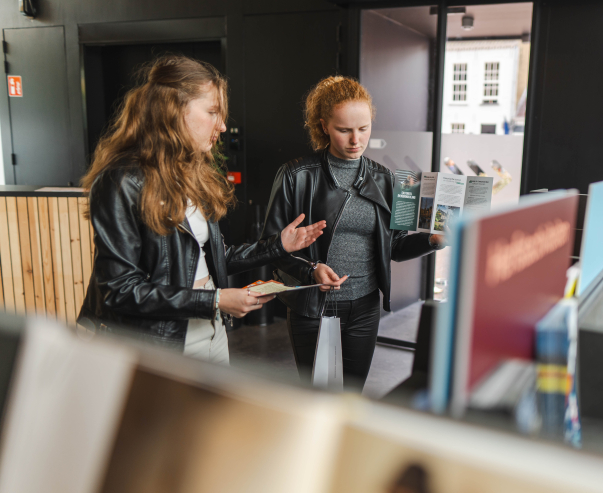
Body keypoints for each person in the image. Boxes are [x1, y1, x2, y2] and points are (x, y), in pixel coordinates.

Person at [78, 56, 326, 364]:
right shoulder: (121, 180)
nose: (222, 125)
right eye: (212, 112)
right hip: (159, 341)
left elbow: (212, 261)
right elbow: (119, 290)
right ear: (173, 110)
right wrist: (216, 300)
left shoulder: (191, 173)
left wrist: (279, 246)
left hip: (211, 329)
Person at [262, 76, 445, 387]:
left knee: (350, 399)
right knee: (316, 402)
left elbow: (396, 247)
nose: (355, 140)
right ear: (323, 126)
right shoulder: (296, 175)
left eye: (363, 128)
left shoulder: (386, 179)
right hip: (312, 308)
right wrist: (311, 270)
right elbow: (270, 246)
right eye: (344, 130)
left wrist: (433, 241)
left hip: (364, 308)